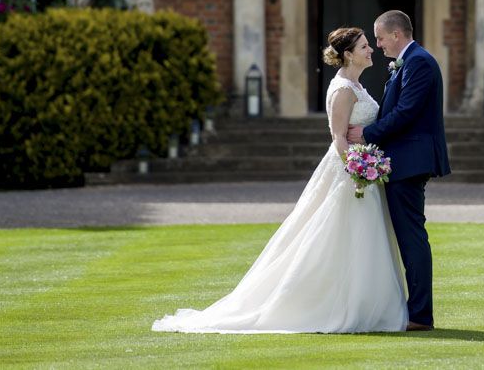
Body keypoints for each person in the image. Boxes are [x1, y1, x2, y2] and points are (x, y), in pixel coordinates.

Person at [152, 27, 407, 334]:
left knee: (364, 237)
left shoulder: (358, 86)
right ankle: (326, 305)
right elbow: (338, 137)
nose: (371, 50)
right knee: (336, 234)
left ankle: (368, 305)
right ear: (349, 54)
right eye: (365, 46)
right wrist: (356, 168)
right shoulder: (342, 89)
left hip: (363, 169)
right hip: (349, 171)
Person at [346, 10, 451, 332]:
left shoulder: (418, 61)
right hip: (404, 159)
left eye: (379, 38)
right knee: (408, 236)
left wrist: (368, 134)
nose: (377, 45)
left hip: (410, 160)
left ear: (396, 34)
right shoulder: (410, 60)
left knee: (412, 237)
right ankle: (415, 310)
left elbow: (406, 112)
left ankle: (420, 314)